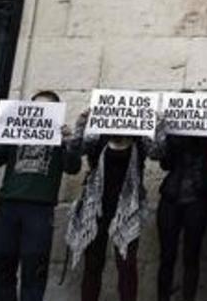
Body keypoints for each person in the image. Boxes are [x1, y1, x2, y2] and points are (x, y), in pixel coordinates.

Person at [0, 91, 83, 301]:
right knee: (2, 268)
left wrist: (69, 144)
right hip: (8, 208)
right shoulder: (13, 136)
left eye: (46, 109)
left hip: (39, 211)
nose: (39, 112)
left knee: (34, 272)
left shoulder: (59, 139)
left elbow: (73, 168)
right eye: (35, 107)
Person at [65, 112, 154, 301]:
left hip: (127, 210)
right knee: (93, 264)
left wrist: (155, 125)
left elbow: (157, 152)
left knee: (127, 265)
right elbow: (76, 150)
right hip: (96, 208)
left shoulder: (139, 140)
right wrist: (81, 124)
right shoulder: (98, 138)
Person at [152, 105, 207, 301]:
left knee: (192, 255)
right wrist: (166, 130)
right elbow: (164, 162)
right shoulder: (173, 136)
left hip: (197, 199)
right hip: (172, 197)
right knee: (167, 256)